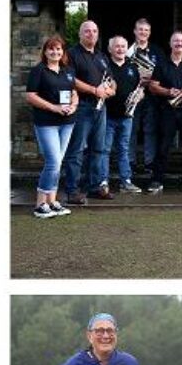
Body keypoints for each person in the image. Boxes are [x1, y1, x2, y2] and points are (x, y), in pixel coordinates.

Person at [61, 20, 115, 206]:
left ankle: (93, 187)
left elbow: (111, 80)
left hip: (101, 108)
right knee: (76, 150)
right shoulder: (72, 54)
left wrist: (110, 90)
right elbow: (70, 79)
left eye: (94, 31)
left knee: (98, 149)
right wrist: (94, 90)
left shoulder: (101, 56)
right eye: (87, 31)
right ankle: (72, 191)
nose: (91, 34)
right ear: (80, 34)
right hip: (82, 107)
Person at [24, 35, 78, 218]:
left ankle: (52, 202)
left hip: (67, 123)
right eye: (51, 49)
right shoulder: (39, 70)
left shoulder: (68, 70)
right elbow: (31, 96)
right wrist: (54, 107)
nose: (55, 52)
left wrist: (74, 105)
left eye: (59, 49)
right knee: (53, 162)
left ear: (63, 52)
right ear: (45, 51)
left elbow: (74, 92)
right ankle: (40, 204)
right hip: (46, 123)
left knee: (57, 163)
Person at [148, 31, 182, 194]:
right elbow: (153, 86)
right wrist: (168, 92)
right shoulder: (162, 64)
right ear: (170, 44)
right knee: (163, 146)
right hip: (168, 111)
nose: (179, 43)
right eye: (176, 41)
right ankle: (157, 180)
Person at [103, 35, 143, 196]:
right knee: (104, 150)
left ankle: (125, 181)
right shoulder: (104, 66)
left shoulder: (133, 67)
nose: (120, 49)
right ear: (110, 49)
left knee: (123, 150)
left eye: (123, 46)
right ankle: (102, 181)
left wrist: (140, 95)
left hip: (127, 116)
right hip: (107, 116)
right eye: (117, 46)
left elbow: (140, 89)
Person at [127, 18, 163, 178]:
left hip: (151, 96)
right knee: (131, 130)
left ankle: (149, 162)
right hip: (133, 95)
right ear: (135, 31)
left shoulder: (157, 51)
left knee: (150, 130)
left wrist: (150, 80)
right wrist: (136, 80)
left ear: (149, 33)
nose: (143, 33)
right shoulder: (127, 51)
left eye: (146, 30)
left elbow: (162, 72)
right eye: (140, 29)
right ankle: (130, 161)